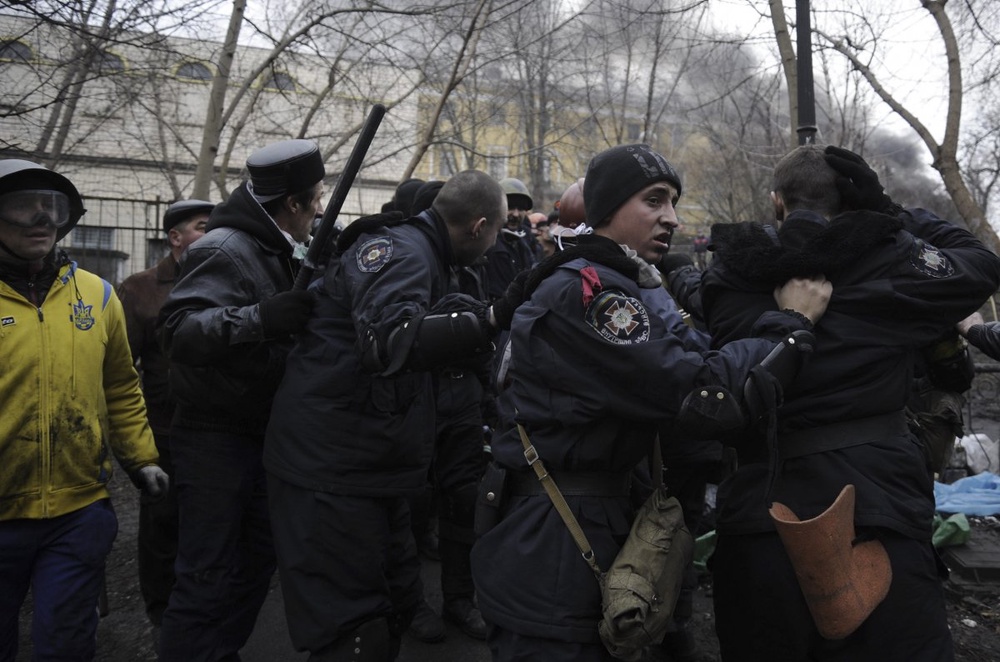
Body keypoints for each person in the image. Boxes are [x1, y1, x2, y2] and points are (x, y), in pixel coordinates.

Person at [470, 143, 831, 662]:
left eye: (673, 203)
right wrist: (790, 327)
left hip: (577, 526)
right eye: (654, 201)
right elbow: (706, 396)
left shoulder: (619, 281)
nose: (672, 218)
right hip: (553, 546)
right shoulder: (591, 293)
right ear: (608, 209)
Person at [700, 145, 1000, 662]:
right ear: (851, 200)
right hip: (876, 506)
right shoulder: (889, 258)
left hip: (761, 514)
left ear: (776, 203)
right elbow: (980, 264)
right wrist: (889, 212)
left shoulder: (731, 275)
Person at [263, 170, 506, 660]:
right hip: (331, 469)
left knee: (381, 614)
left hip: (365, 464)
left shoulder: (423, 254)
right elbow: (390, 342)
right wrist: (487, 320)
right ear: (479, 226)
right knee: (350, 629)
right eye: (498, 232)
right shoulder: (404, 253)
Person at [157, 139, 324, 661]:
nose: (320, 208)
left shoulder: (277, 242)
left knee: (254, 562)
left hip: (258, 431)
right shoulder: (223, 247)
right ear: (291, 204)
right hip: (214, 440)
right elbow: (179, 331)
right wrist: (261, 318)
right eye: (315, 199)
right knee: (209, 572)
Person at [0, 159, 167, 661]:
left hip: (79, 511)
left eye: (50, 206)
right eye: (22, 205)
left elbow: (119, 385)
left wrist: (142, 459)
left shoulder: (96, 295)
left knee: (67, 642)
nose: (41, 218)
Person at [117, 198, 212, 628]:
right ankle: (162, 613)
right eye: (201, 227)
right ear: (175, 237)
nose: (211, 234)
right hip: (163, 431)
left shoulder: (221, 278)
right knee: (161, 522)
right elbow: (121, 370)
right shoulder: (139, 288)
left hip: (216, 428)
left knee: (209, 521)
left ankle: (202, 606)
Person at [484, 177, 537, 300]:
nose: (516, 214)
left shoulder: (525, 241)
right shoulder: (488, 243)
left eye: (521, 208)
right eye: (510, 207)